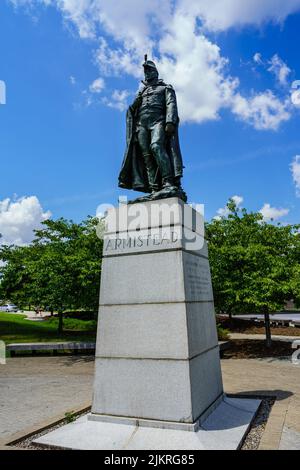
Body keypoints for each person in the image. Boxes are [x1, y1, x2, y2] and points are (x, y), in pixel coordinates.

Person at [119, 56, 187, 203]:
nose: (147, 74)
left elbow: (171, 104)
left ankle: (168, 182)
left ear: (156, 72)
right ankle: (154, 189)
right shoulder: (141, 93)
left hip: (159, 121)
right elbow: (131, 111)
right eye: (145, 71)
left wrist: (170, 121)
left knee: (156, 146)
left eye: (150, 70)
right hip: (141, 125)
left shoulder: (165, 88)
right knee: (146, 157)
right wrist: (134, 104)